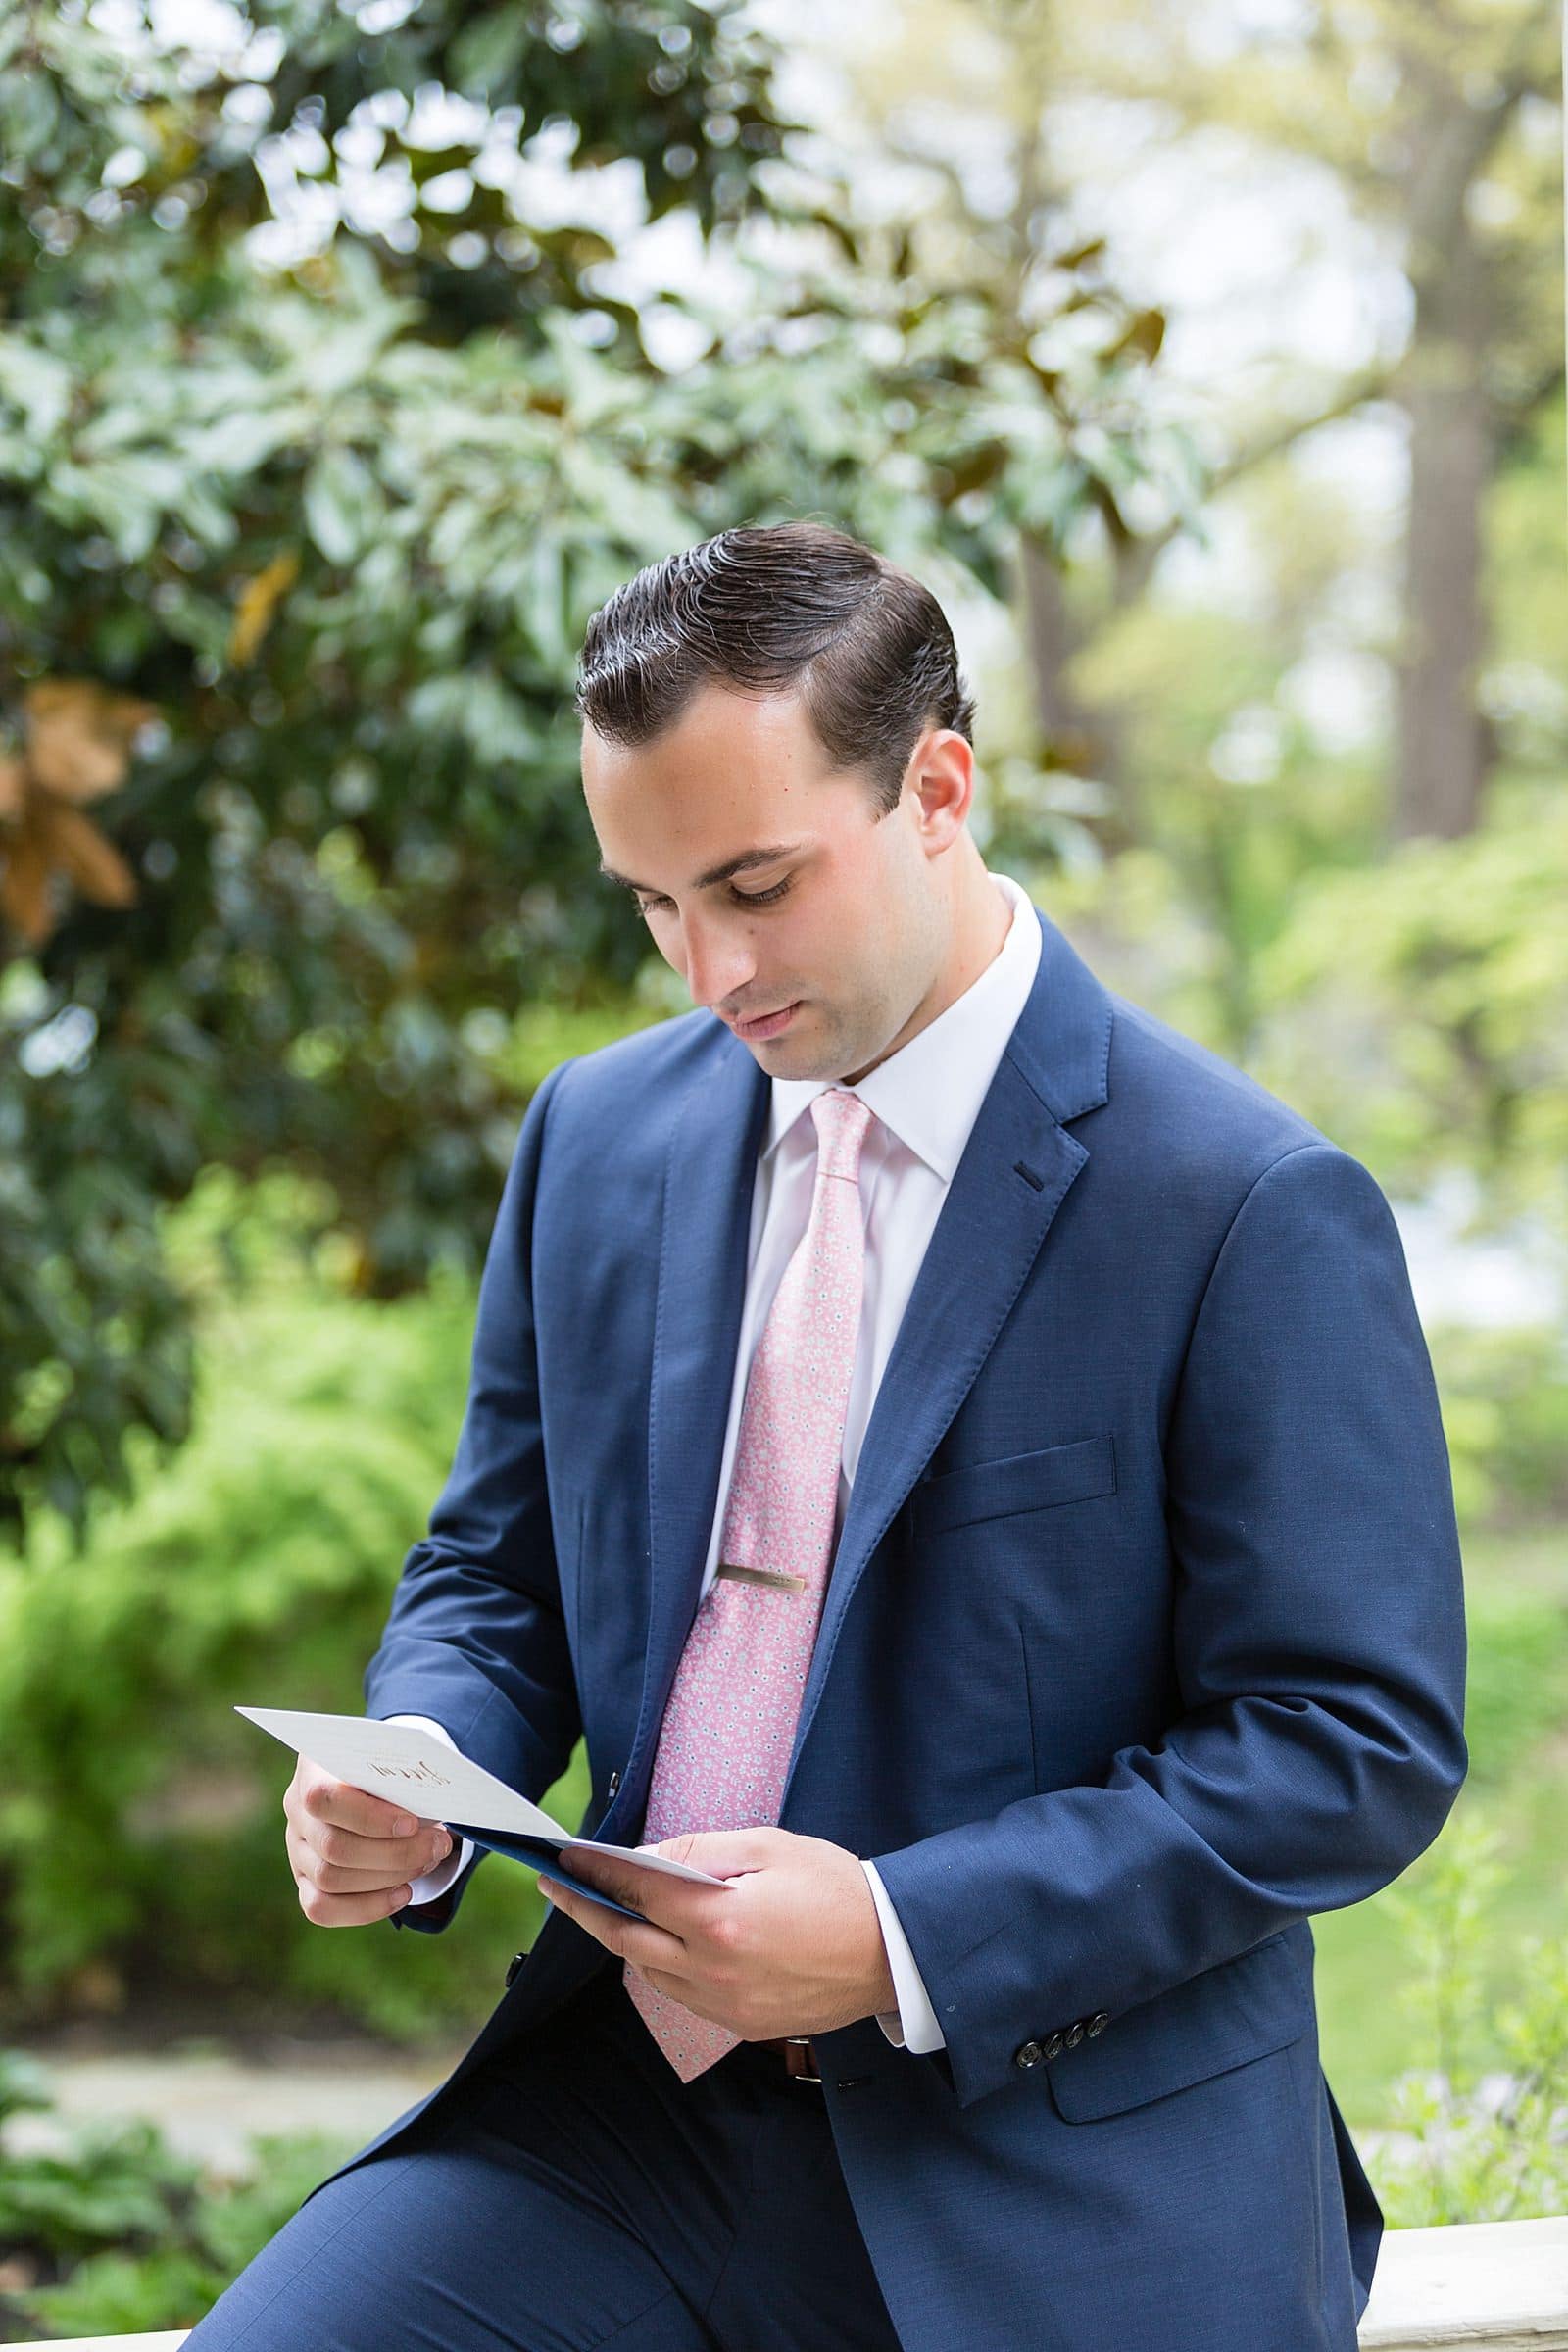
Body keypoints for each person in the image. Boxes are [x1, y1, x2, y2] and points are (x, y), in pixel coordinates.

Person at [187, 520, 1467, 2352]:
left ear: (939, 787)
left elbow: (1355, 1740)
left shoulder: (1245, 1202)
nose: (706, 968)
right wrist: (426, 1770)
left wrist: (893, 1935)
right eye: (649, 902)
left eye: (756, 884)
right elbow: (498, 1567)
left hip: (1049, 2172)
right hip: (619, 2124)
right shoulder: (598, 1138)